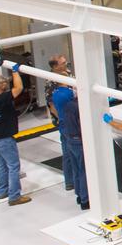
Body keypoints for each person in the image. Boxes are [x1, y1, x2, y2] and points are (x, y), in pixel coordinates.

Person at [0, 61, 30, 206]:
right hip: (5, 139)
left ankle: (3, 191)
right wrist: (15, 71)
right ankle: (14, 196)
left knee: (2, 165)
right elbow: (19, 88)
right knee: (14, 166)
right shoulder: (2, 99)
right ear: (2, 87)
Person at [48, 81, 89, 210]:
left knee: (75, 167)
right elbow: (82, 125)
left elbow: (52, 107)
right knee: (83, 170)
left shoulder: (65, 106)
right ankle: (85, 199)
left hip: (69, 138)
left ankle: (78, 193)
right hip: (78, 140)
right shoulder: (78, 107)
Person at [46, 55, 75, 193]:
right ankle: (70, 181)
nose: (66, 64)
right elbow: (52, 106)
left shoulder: (68, 74)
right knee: (68, 151)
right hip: (65, 122)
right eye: (63, 63)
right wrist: (64, 120)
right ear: (55, 67)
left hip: (73, 119)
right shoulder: (51, 82)